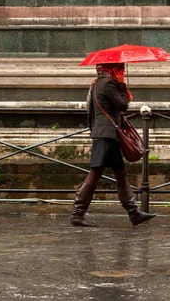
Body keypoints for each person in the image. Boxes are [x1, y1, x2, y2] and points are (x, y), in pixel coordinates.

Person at [70, 62, 157, 227]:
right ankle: (77, 214)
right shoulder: (108, 84)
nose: (123, 71)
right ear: (113, 69)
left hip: (107, 135)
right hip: (106, 136)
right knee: (95, 174)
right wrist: (122, 84)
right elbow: (123, 105)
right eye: (121, 69)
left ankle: (134, 213)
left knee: (121, 175)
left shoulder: (97, 83)